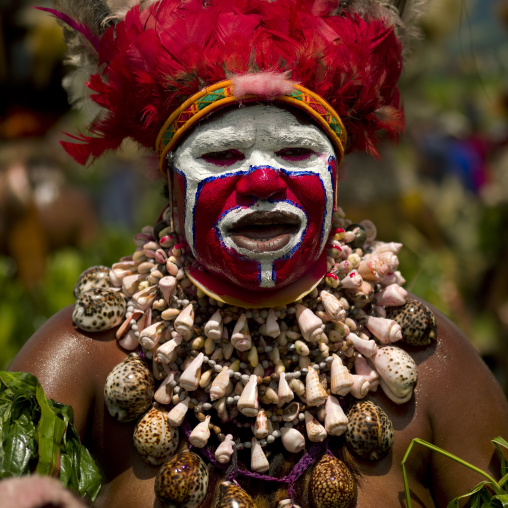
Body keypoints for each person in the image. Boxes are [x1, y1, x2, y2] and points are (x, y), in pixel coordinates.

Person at [8, 1, 508, 507]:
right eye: (222, 155)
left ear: (337, 174)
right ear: (171, 182)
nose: (263, 181)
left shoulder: (432, 369)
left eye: (294, 152)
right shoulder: (86, 358)